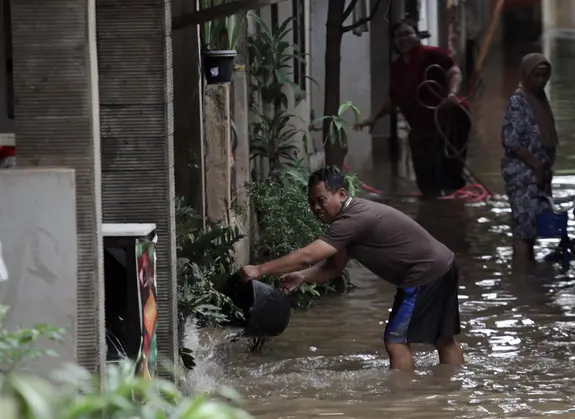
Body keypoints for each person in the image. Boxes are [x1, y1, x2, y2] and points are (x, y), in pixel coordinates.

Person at [237, 167, 465, 371]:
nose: (316, 207)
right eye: (312, 202)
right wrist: (303, 277)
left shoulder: (352, 219)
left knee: (395, 341)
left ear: (342, 194)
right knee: (442, 338)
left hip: (424, 273)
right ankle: (453, 391)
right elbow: (333, 268)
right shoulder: (349, 222)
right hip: (444, 264)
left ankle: (401, 405)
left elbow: (307, 256)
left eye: (321, 200)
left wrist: (260, 270)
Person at [354, 19, 471, 197]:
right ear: (393, 41)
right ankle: (432, 211)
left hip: (449, 119)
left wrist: (452, 94)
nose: (404, 38)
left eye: (408, 33)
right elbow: (393, 97)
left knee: (448, 170)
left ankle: (454, 211)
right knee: (424, 174)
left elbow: (454, 72)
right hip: (421, 126)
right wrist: (374, 118)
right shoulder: (398, 67)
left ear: (417, 35)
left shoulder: (433, 55)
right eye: (399, 35)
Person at [500, 53, 558, 265]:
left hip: (539, 174)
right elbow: (511, 140)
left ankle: (529, 277)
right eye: (536, 76)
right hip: (524, 174)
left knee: (533, 227)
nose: (540, 81)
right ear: (526, 75)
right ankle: (522, 281)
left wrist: (543, 170)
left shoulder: (540, 100)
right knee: (524, 229)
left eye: (544, 76)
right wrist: (536, 167)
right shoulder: (518, 101)